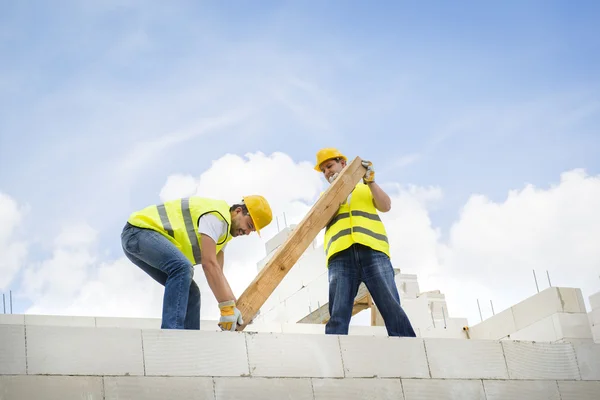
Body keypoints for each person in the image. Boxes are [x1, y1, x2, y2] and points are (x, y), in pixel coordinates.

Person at [121, 195, 273, 331]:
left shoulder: (224, 235)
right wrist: (226, 308)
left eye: (251, 231)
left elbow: (218, 274)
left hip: (139, 243)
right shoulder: (217, 218)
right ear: (239, 211)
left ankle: (189, 343)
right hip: (138, 232)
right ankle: (172, 334)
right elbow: (209, 264)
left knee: (192, 293)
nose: (246, 232)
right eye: (249, 225)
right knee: (182, 268)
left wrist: (236, 307)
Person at [314, 147, 416, 337]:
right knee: (338, 314)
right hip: (341, 256)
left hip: (373, 251)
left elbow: (386, 206)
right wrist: (337, 195)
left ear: (343, 164)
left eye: (329, 166)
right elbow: (319, 223)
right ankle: (334, 356)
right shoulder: (325, 197)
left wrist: (371, 182)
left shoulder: (365, 187)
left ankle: (408, 349)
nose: (327, 172)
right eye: (323, 170)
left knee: (391, 306)